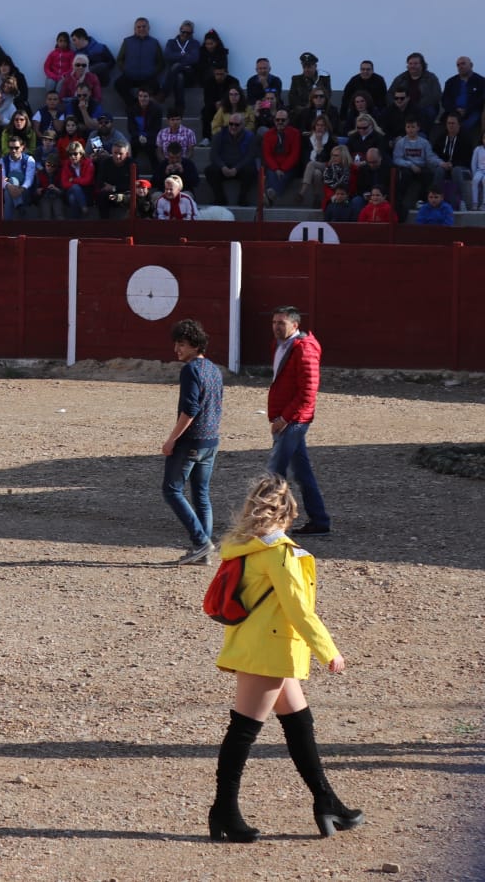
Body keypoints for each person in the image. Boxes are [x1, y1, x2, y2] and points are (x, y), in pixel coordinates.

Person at [207, 474, 362, 843]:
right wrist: (328, 650)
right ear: (289, 512)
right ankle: (224, 812)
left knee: (299, 725)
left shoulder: (243, 546)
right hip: (268, 651)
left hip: (257, 644)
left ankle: (327, 802)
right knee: (243, 732)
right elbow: (299, 609)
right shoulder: (279, 553)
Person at [162, 319, 223, 565]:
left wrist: (172, 439)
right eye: (176, 343)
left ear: (195, 345)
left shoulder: (190, 371)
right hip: (211, 440)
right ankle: (203, 551)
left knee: (171, 490)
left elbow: (190, 410)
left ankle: (200, 542)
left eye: (183, 344)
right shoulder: (214, 369)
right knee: (201, 494)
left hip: (191, 441)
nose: (177, 349)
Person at [268, 307, 331, 537]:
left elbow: (308, 392)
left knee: (275, 471)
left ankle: (270, 522)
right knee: (302, 472)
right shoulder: (281, 346)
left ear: (295, 325)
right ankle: (319, 520)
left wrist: (284, 418)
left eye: (281, 323)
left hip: (294, 419)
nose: (276, 326)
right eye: (274, 322)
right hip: (287, 417)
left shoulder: (304, 349)